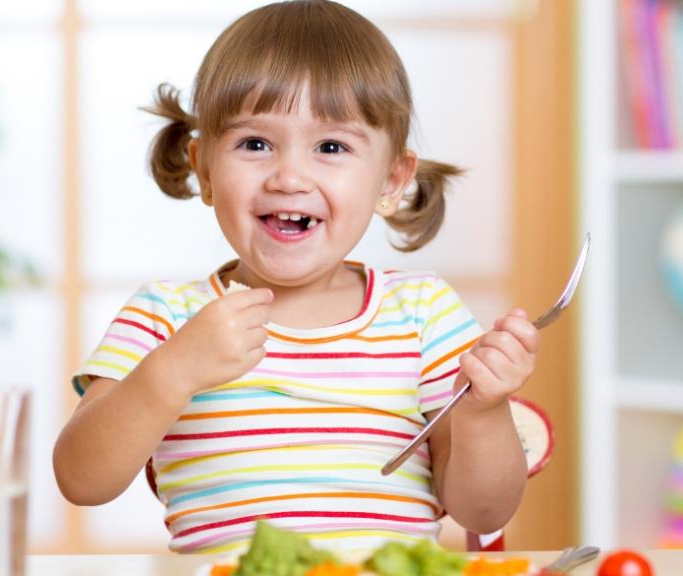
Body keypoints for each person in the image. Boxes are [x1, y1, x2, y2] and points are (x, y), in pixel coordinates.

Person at [53, 0, 539, 556]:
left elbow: (484, 510)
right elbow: (81, 479)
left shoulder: (424, 311)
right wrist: (173, 370)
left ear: (392, 179)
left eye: (331, 147)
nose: (289, 177)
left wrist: (483, 410)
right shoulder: (165, 315)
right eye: (254, 144)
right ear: (204, 167)